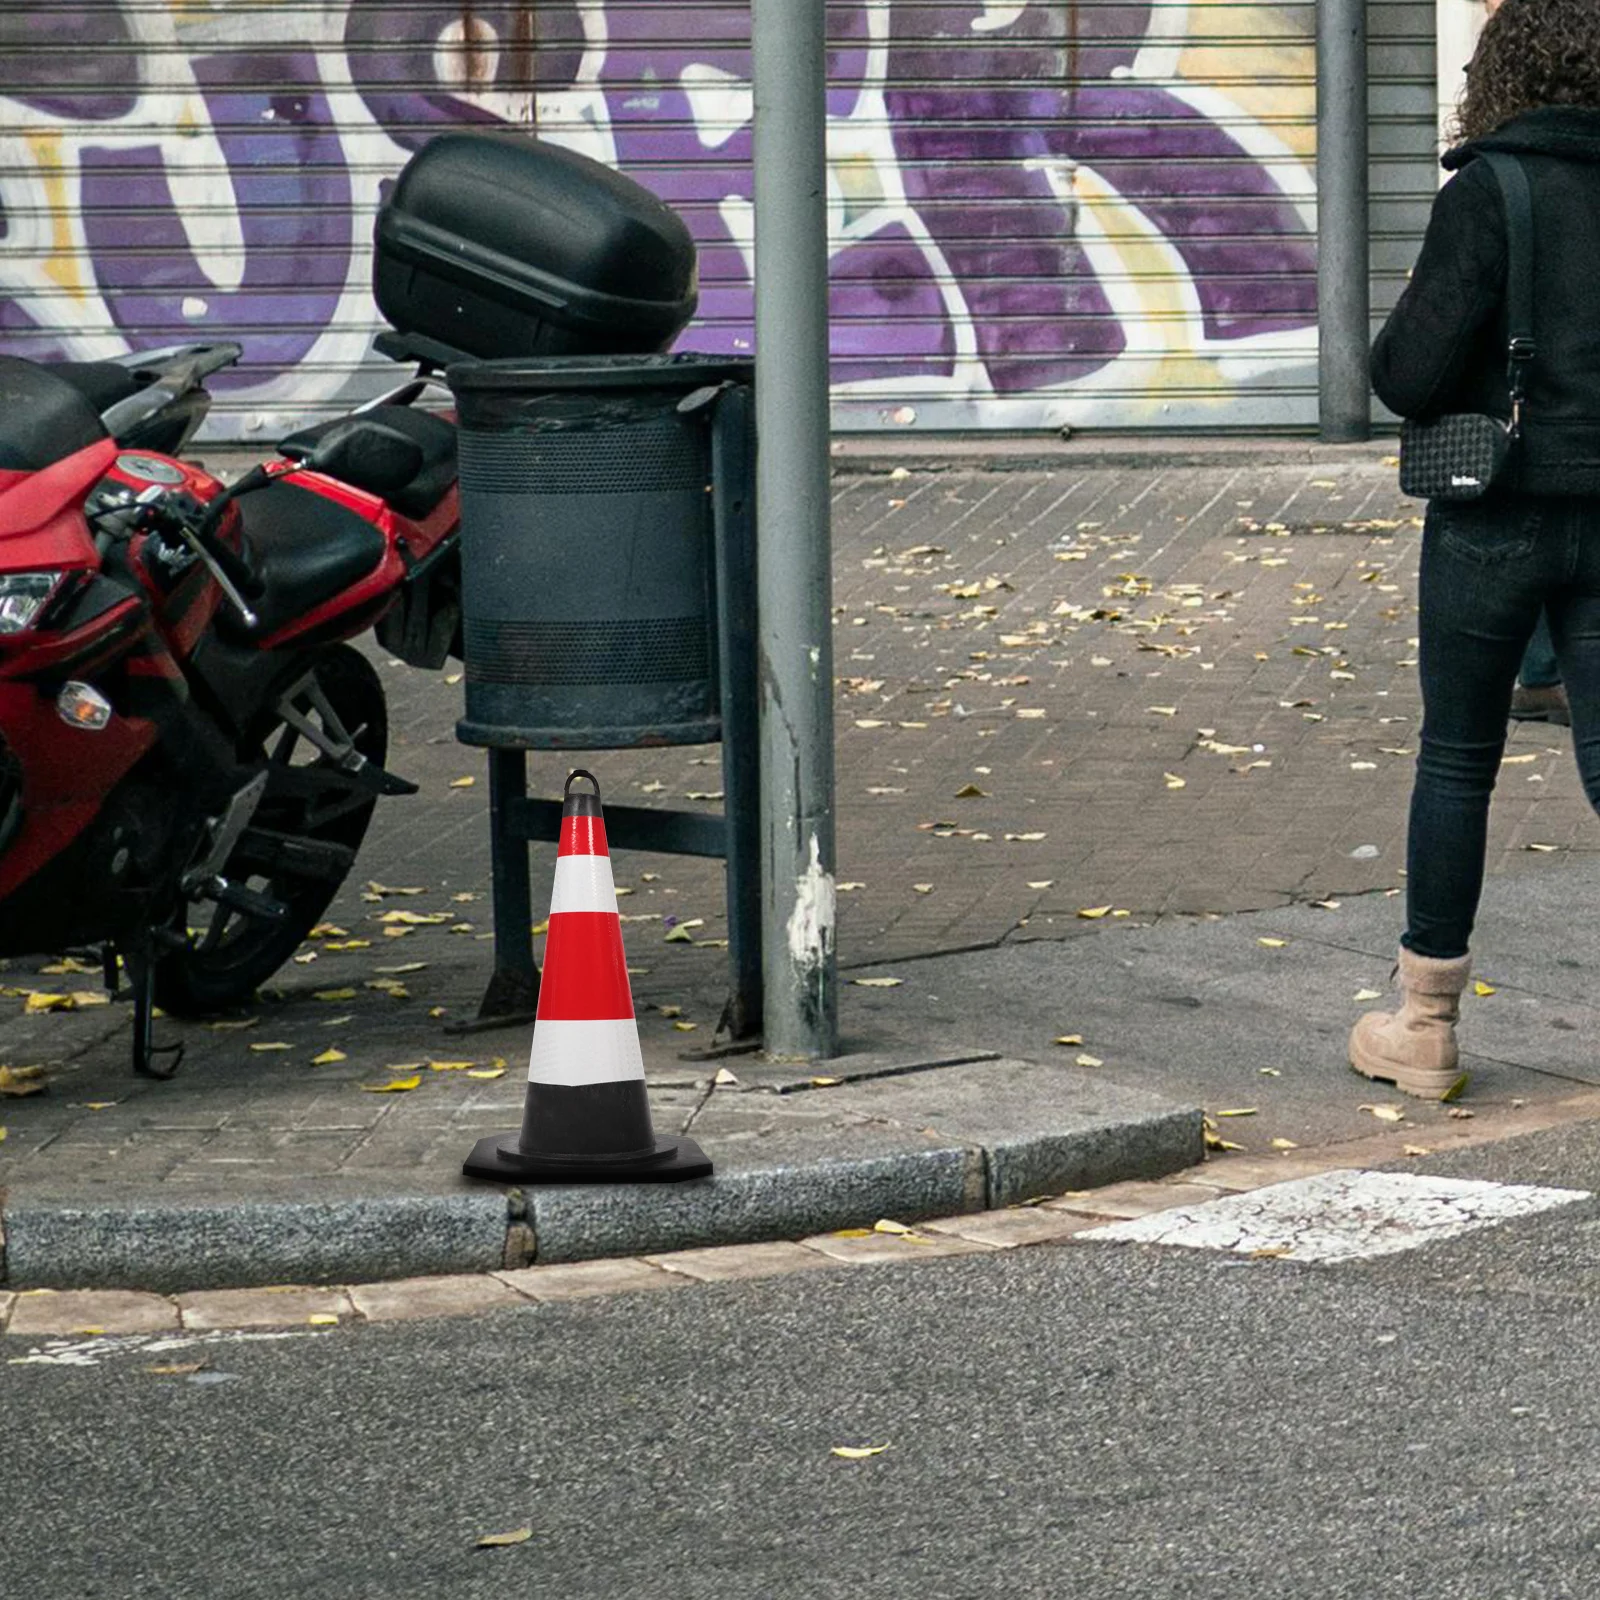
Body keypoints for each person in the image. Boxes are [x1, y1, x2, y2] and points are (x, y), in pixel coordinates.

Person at [1351, 0, 1600, 1098]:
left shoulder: (1486, 190)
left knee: (1458, 753)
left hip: (1493, 512)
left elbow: (1408, 373)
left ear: (1499, 74)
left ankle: (1423, 1026)